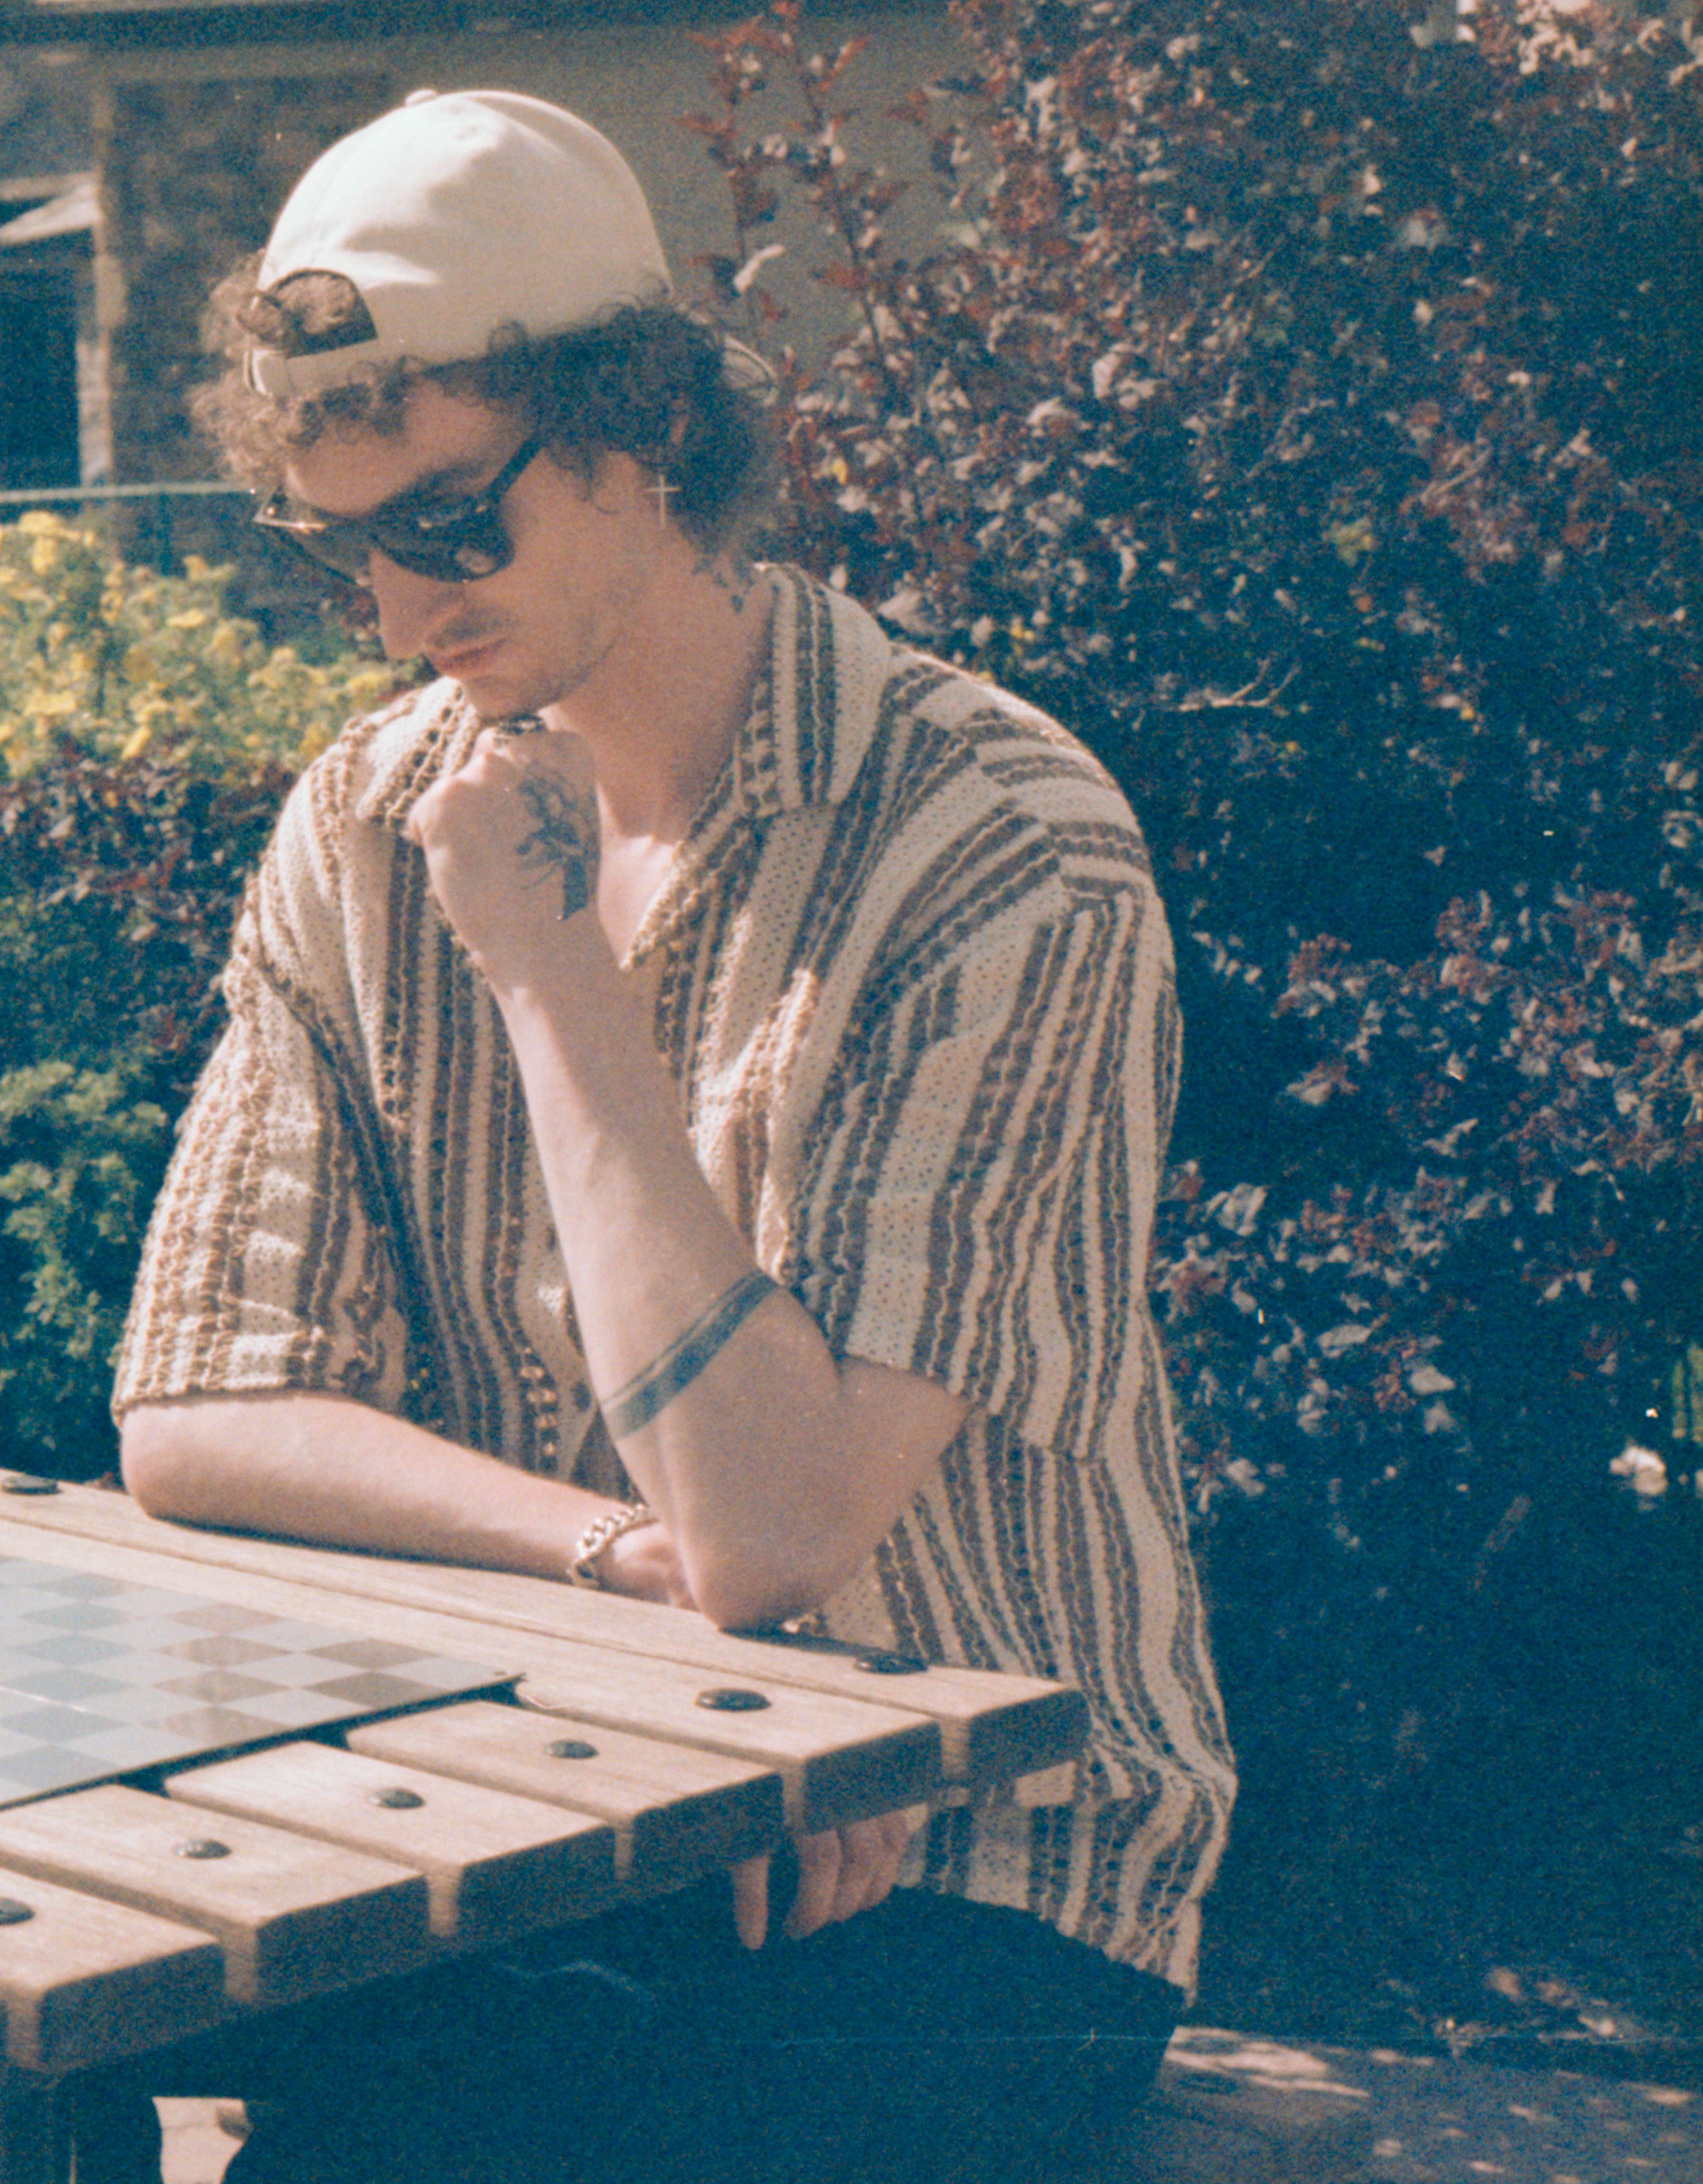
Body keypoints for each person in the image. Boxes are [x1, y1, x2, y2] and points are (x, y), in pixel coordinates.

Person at [108, 90, 1238, 2182]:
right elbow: (200, 1405)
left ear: (644, 430)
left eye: (450, 525)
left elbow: (775, 1529)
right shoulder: (364, 825)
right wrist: (614, 1569)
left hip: (973, 1872)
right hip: (542, 1809)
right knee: (47, 2028)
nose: (398, 613)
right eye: (344, 547)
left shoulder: (1001, 851)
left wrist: (549, 972)